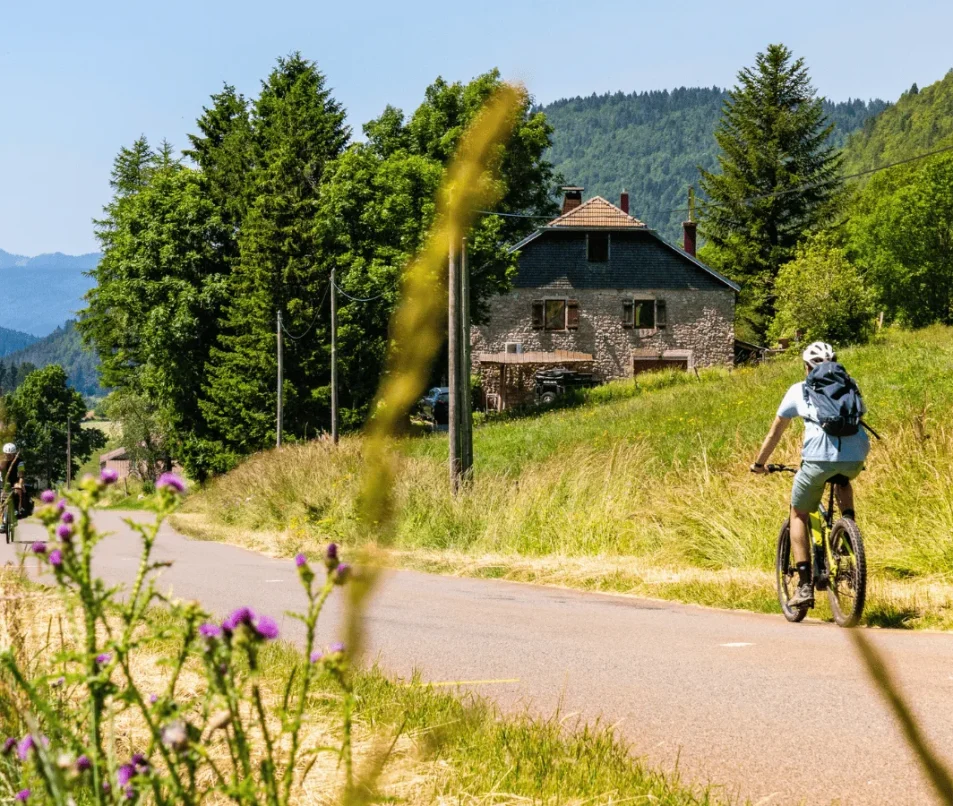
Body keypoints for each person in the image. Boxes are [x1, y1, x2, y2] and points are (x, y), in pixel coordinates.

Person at [750, 342, 870, 608]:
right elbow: (859, 416)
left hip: (816, 459)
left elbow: (775, 432)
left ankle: (804, 586)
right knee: (842, 477)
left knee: (798, 514)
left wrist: (759, 464)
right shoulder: (850, 386)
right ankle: (847, 533)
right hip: (856, 457)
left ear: (806, 367)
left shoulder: (799, 389)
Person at [0, 442, 25, 532]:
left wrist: (20, 484)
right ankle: (2, 523)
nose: (8, 456)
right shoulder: (1, 461)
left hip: (14, 481)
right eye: (7, 454)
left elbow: (21, 476)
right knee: (2, 500)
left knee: (17, 490)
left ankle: (16, 509)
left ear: (14, 454)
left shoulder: (19, 462)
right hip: (2, 482)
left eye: (10, 455)